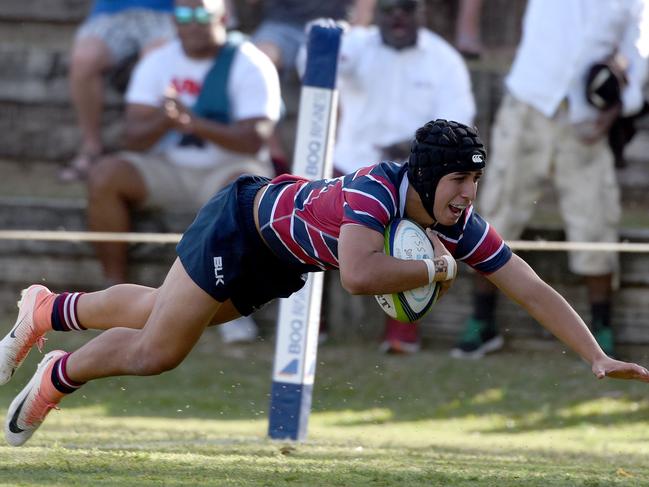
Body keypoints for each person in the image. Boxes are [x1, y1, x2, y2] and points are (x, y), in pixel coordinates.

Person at [2, 119, 649, 447]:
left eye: (473, 181)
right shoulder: (375, 191)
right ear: (425, 177)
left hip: (281, 259)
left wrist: (593, 355)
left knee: (159, 314)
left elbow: (528, 284)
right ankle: (60, 374)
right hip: (241, 224)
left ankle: (48, 307)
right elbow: (361, 276)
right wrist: (434, 267)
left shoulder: (456, 219)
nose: (467, 194)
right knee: (161, 348)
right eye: (457, 181)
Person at [451, 0, 649, 359]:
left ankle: (601, 331)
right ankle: (482, 322)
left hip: (586, 118)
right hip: (528, 101)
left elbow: (640, 49)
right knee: (496, 215)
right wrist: (469, 29)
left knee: (595, 222)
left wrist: (620, 107)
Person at [86, 0, 281, 343]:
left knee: (239, 191)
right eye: (184, 15)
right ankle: (114, 295)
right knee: (106, 174)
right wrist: (166, 119)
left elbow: (255, 138)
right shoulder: (158, 61)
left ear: (224, 17)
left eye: (202, 14)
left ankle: (229, 308)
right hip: (169, 168)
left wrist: (194, 123)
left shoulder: (250, 61)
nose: (192, 23)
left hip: (229, 168)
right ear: (174, 22)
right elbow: (131, 137)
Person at [332, 0, 475, 353]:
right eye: (389, 8)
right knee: (318, 233)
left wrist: (415, 148)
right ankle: (311, 324)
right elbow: (312, 63)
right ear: (377, 13)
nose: (398, 16)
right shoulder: (357, 45)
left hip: (413, 176)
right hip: (348, 170)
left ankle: (403, 326)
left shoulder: (444, 59)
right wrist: (355, 26)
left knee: (413, 238)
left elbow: (459, 122)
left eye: (407, 8)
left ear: (421, 13)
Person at [62, 0, 176, 182]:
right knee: (83, 60)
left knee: (156, 61)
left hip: (167, 11)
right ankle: (92, 148)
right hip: (110, 12)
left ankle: (151, 149)